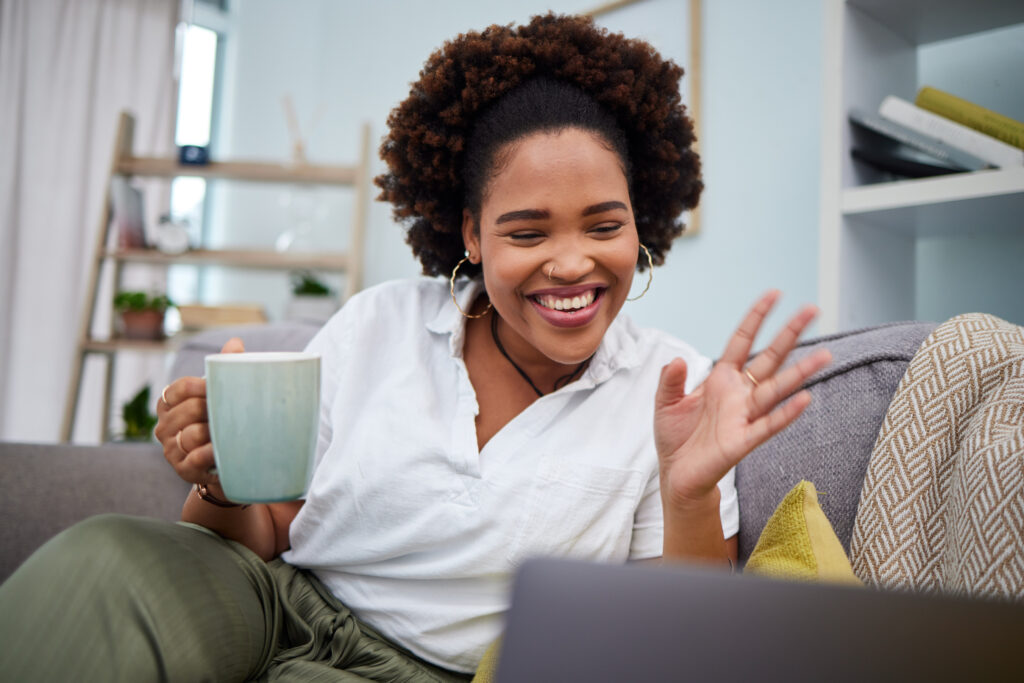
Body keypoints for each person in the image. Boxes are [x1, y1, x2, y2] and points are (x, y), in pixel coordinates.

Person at [0, 13, 829, 682]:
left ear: (640, 225)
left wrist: (690, 491)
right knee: (107, 558)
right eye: (526, 230)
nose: (572, 261)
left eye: (603, 226)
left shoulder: (672, 392)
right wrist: (222, 478)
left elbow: (678, 645)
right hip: (271, 598)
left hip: (425, 670)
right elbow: (256, 532)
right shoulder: (380, 323)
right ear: (471, 232)